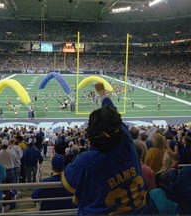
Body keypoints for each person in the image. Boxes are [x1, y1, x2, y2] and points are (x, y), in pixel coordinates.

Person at [61, 83, 157, 215]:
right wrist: (102, 94)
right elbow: (113, 115)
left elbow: (67, 184)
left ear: (91, 135)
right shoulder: (127, 142)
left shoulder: (86, 161)